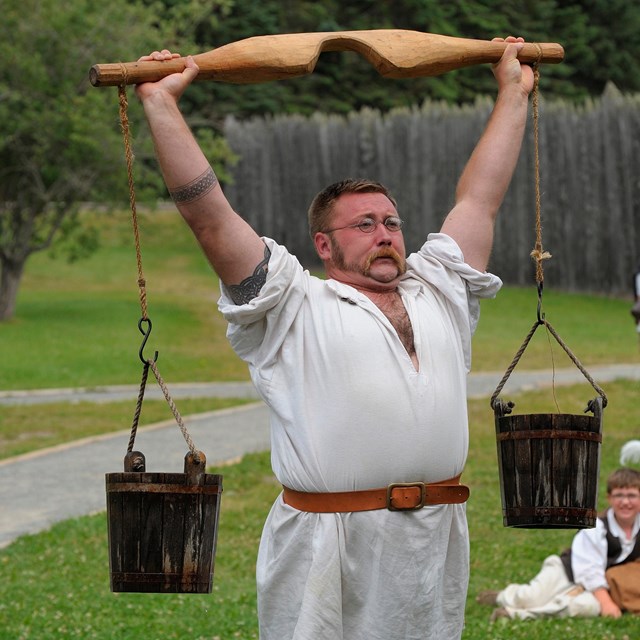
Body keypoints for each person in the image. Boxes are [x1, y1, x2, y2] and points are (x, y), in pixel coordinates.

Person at [135, 36, 533, 640]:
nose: (385, 234)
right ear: (324, 244)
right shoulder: (290, 304)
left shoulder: (440, 290)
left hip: (433, 535)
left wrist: (513, 92)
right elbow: (209, 216)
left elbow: (481, 197)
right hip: (328, 545)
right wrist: (161, 103)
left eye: (392, 222)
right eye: (365, 224)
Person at [479, 468, 640, 621]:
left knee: (586, 607)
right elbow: (589, 570)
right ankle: (502, 596)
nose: (625, 502)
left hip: (602, 585)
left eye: (632, 495)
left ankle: (517, 615)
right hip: (567, 570)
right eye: (619, 495)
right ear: (609, 498)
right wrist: (606, 603)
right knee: (530, 597)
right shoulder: (596, 526)